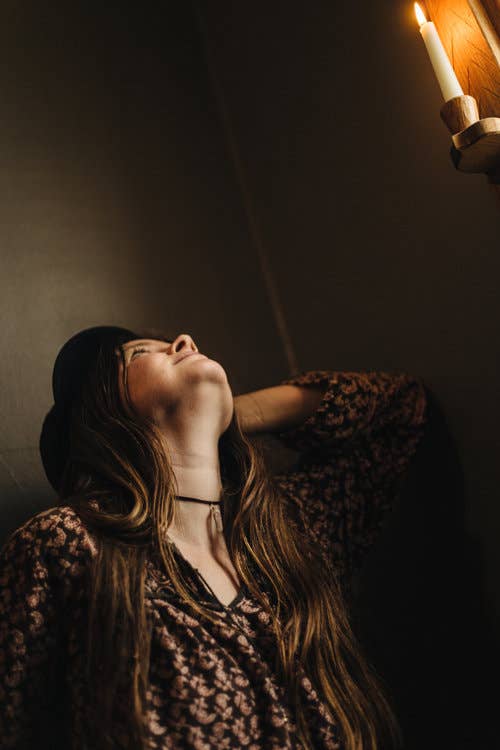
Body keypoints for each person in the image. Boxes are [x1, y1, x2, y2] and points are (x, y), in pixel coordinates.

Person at [0, 325, 429, 750]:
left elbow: (401, 407)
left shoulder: (291, 531)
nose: (185, 341)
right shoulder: (66, 545)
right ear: (102, 411)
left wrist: (229, 417)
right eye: (142, 352)